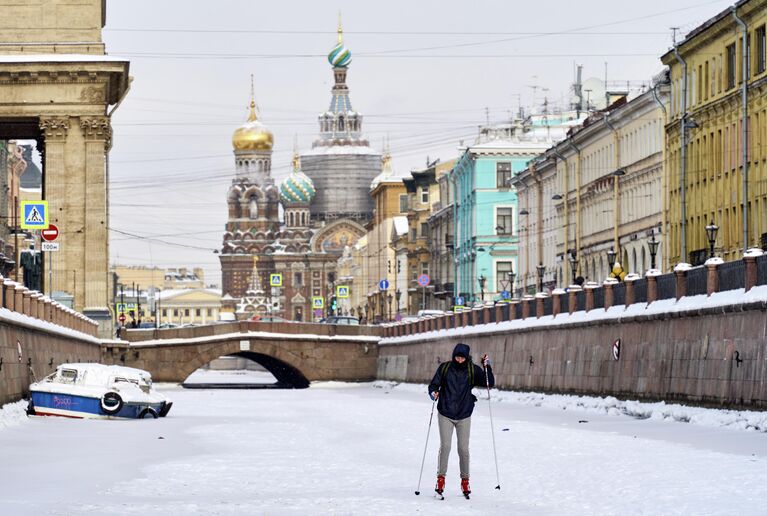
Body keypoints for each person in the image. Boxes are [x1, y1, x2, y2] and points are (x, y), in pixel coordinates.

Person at [428, 342, 494, 497]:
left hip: (464, 414)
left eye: (462, 358)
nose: (459, 360)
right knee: (445, 446)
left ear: (466, 358)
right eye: (457, 357)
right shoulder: (445, 368)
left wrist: (487, 367)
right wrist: (433, 393)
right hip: (445, 412)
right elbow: (433, 385)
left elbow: (489, 383)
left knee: (463, 449)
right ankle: (440, 479)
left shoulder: (472, 370)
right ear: (453, 356)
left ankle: (465, 481)